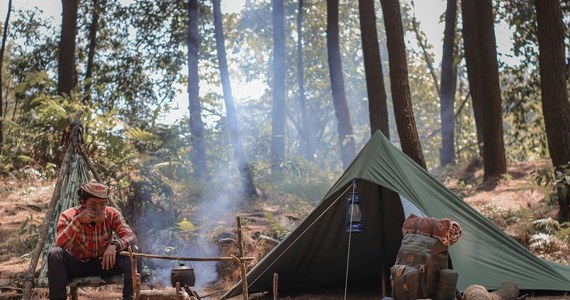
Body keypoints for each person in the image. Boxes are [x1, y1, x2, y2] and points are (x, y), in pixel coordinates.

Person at [48, 182, 137, 300]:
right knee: (55, 254)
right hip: (78, 265)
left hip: (105, 264)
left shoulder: (111, 213)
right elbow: (59, 244)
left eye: (102, 204)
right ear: (83, 203)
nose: (98, 209)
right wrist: (78, 221)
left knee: (134, 254)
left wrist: (114, 245)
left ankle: (130, 298)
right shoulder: (69, 215)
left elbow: (131, 237)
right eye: (93, 205)